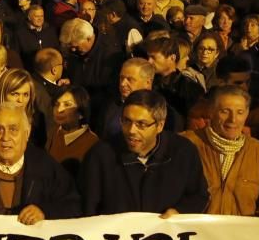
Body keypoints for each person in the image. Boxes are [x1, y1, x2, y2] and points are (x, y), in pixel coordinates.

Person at [81, 90, 209, 216]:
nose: (131, 130)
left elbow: (198, 195)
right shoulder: (100, 155)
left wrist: (180, 212)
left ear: (159, 125)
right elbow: (88, 208)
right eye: (126, 121)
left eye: (141, 124)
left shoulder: (183, 152)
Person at [181, 86, 259, 216]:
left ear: (247, 114)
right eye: (225, 111)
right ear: (211, 112)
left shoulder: (257, 151)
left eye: (240, 112)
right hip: (197, 233)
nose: (233, 120)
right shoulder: (187, 144)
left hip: (239, 234)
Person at [47, 85, 99, 178]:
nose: (59, 110)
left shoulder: (92, 142)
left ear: (81, 113)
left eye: (67, 105)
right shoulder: (54, 131)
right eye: (56, 104)